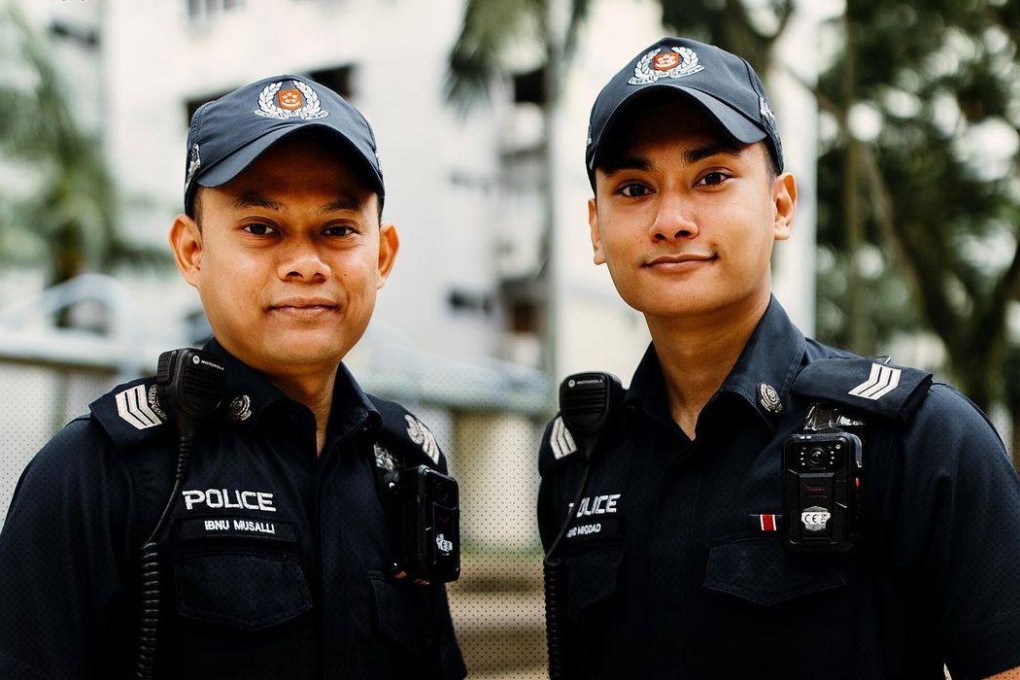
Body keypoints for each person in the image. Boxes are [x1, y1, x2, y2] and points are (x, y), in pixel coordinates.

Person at [537, 37, 1020, 679]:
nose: (671, 219)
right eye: (633, 187)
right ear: (596, 229)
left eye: (711, 178)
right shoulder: (582, 461)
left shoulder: (920, 440)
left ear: (781, 204)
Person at [0, 75, 466, 679]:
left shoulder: (407, 466)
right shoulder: (98, 470)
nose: (305, 264)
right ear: (192, 251)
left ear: (381, 256)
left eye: (337, 229)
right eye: (261, 229)